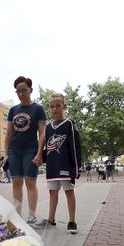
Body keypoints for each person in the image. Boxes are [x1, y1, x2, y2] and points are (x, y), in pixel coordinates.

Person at [33, 93, 82, 234]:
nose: (54, 109)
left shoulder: (69, 124)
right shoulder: (48, 127)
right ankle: (51, 220)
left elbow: (75, 146)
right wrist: (38, 155)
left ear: (64, 106)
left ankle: (72, 221)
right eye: (52, 106)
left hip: (66, 166)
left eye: (58, 106)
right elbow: (43, 138)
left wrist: (76, 168)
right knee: (52, 193)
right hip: (52, 166)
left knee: (69, 192)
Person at [5, 75, 46, 224]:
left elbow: (42, 133)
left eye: (24, 90)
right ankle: (17, 216)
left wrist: (39, 153)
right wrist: (6, 153)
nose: (21, 94)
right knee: (16, 183)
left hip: (31, 150)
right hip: (14, 151)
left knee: (30, 183)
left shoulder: (38, 109)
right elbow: (8, 133)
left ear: (30, 90)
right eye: (18, 91)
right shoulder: (13, 110)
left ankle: (32, 215)